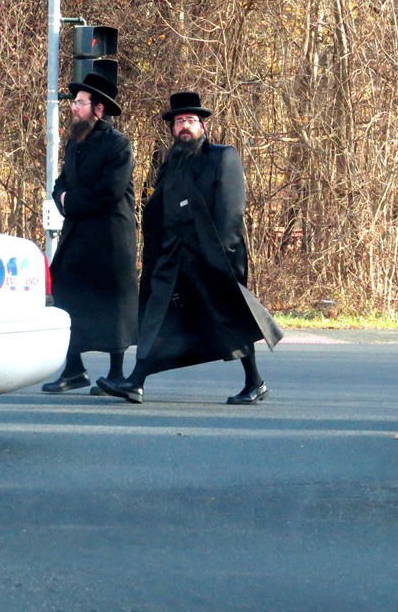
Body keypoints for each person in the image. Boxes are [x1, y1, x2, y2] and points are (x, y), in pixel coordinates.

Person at [97, 91, 282, 404]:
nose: (185, 126)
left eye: (191, 120)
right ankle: (135, 381)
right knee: (157, 316)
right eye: (179, 121)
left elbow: (231, 211)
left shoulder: (223, 157)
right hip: (173, 258)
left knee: (227, 316)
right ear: (172, 128)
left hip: (212, 257)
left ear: (202, 126)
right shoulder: (170, 163)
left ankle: (255, 381)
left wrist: (222, 256)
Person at [43, 73, 138, 393]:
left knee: (113, 303)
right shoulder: (75, 142)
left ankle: (117, 374)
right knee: (64, 292)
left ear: (98, 109)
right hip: (78, 234)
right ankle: (73, 369)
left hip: (111, 238)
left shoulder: (118, 144)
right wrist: (62, 198)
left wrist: (70, 201)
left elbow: (110, 191)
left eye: (81, 103)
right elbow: (61, 183)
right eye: (74, 102)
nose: (74, 107)